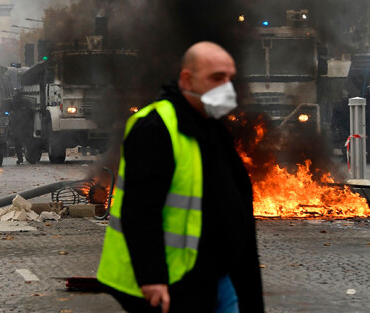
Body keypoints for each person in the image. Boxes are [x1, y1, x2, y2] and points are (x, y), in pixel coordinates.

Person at [97, 42, 264, 313]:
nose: (227, 88)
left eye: (230, 79)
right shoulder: (155, 126)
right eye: (217, 78)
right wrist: (152, 277)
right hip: (175, 280)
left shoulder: (211, 125)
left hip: (216, 274)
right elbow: (140, 210)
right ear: (187, 78)